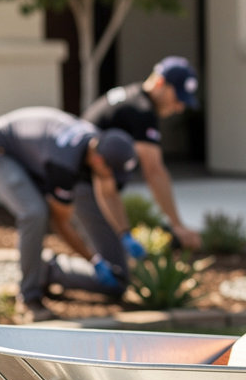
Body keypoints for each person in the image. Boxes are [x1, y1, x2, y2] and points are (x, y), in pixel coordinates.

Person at [0, 107, 142, 322]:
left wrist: (125, 233)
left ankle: (47, 269)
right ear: (99, 161)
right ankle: (29, 298)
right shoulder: (65, 163)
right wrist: (94, 261)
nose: (115, 181)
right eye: (113, 174)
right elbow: (60, 224)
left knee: (83, 196)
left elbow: (108, 193)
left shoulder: (98, 144)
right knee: (35, 213)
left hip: (37, 153)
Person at [82, 56, 203, 250]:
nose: (179, 107)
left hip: (89, 183)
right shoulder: (142, 111)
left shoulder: (132, 95)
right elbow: (154, 171)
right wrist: (177, 226)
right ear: (160, 83)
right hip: (86, 187)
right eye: (177, 98)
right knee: (116, 264)